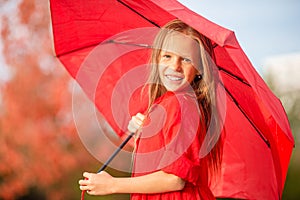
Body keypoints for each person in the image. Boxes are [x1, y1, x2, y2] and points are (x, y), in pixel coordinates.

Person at [79, 19, 223, 200]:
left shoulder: (180, 104)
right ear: (157, 59)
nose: (175, 67)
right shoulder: (165, 105)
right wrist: (140, 134)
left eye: (186, 59)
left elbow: (174, 178)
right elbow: (156, 161)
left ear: (199, 68)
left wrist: (112, 184)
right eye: (167, 56)